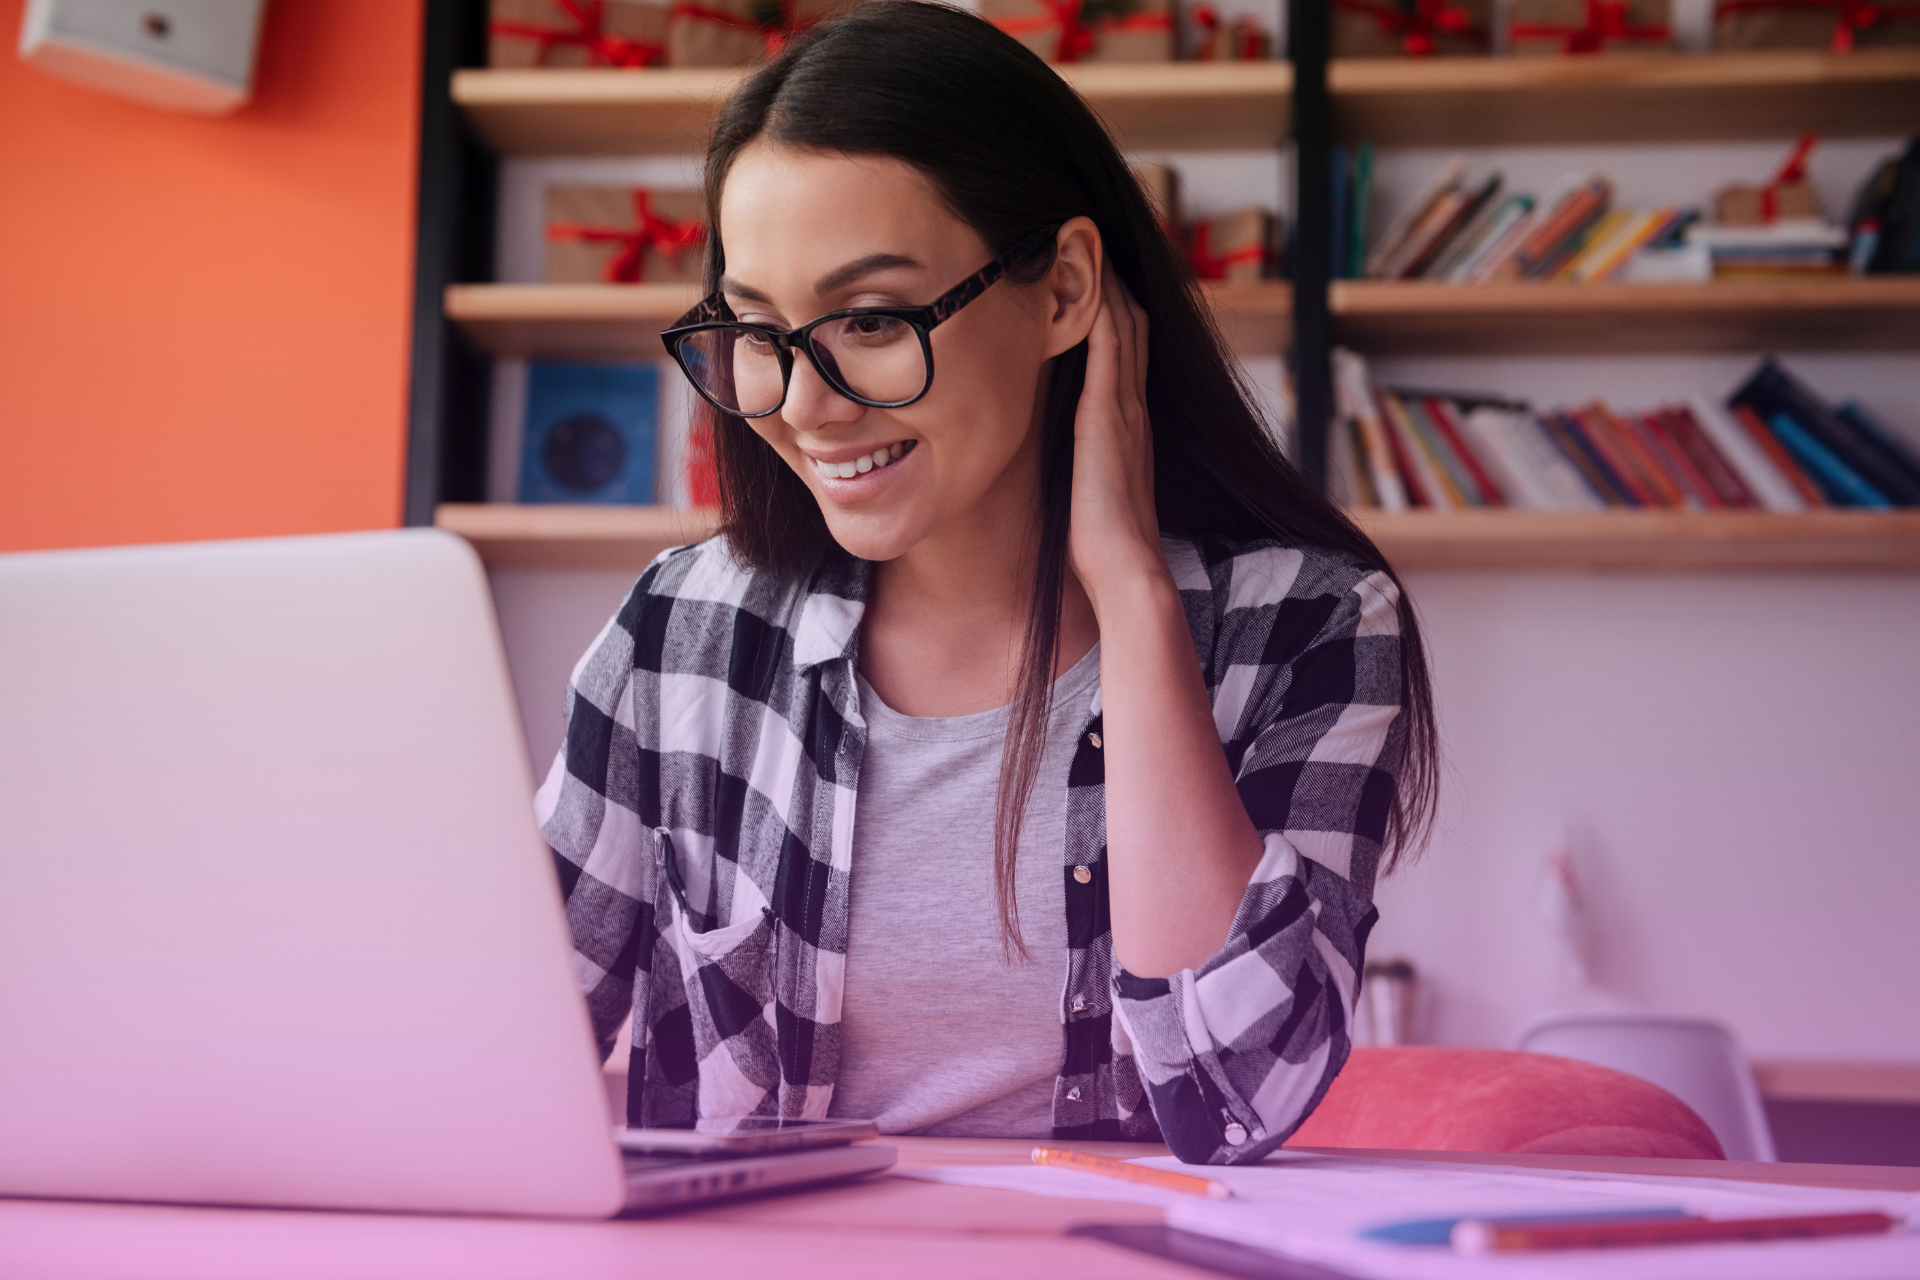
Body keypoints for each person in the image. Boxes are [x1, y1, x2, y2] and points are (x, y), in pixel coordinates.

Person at [537, 0, 1437, 1165]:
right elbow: (494, 1052)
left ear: (1062, 290)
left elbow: (1239, 1093)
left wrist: (1133, 595)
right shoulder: (681, 632)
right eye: (759, 329)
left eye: (867, 318)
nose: (806, 405)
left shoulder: (1308, 622)